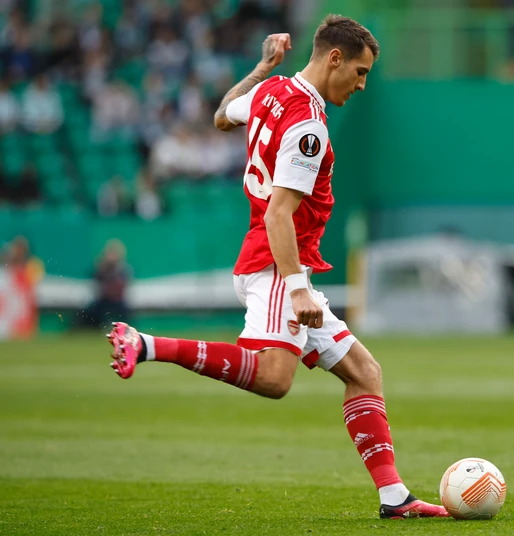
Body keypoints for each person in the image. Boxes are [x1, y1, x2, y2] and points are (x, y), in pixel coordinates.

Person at [105, 17, 449, 520]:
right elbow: (278, 213)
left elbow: (222, 115)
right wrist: (296, 288)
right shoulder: (309, 125)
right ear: (334, 58)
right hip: (275, 264)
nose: (361, 85)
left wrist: (262, 67)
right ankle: (146, 344)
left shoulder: (271, 90)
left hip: (283, 263)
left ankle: (394, 497)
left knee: (364, 373)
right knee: (274, 378)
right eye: (359, 72)